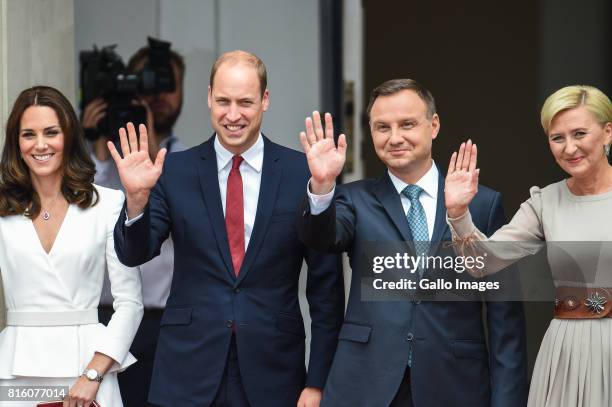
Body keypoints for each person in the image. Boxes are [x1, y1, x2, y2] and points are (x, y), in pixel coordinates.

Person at [110, 50, 344, 407]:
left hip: (274, 374)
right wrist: (137, 199)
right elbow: (134, 253)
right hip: (187, 372)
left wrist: (318, 381)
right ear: (208, 97)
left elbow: (326, 290)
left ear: (265, 100)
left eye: (245, 102)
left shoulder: (303, 174)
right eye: (223, 101)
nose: (233, 115)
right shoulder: (175, 171)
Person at [297, 79, 528, 406]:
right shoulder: (354, 199)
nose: (395, 138)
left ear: (433, 125)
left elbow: (506, 321)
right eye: (382, 127)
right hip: (365, 384)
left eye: (407, 124)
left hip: (453, 385)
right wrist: (322, 187)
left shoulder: (482, 205)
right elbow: (321, 238)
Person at [445, 85, 612, 406]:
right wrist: (458, 213)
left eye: (579, 133)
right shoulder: (545, 202)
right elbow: (483, 263)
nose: (569, 147)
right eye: (557, 137)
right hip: (567, 352)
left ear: (607, 133)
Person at [0, 86, 143, 407]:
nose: (40, 145)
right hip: (15, 373)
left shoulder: (108, 203)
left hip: (90, 369)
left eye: (51, 132)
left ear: (69, 137)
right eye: (28, 134)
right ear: (16, 142)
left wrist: (93, 374)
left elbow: (130, 303)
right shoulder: (1, 209)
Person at [83, 44, 187, 407]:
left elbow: (175, 217)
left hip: (164, 323)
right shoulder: (91, 160)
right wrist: (95, 144)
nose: (157, 96)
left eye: (166, 84)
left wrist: (154, 151)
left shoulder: (188, 162)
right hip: (102, 318)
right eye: (147, 84)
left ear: (185, 93)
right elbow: (82, 214)